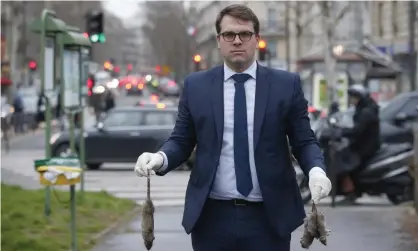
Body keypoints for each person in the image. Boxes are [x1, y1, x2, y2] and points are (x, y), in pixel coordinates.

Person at [134, 4, 331, 251]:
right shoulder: (197, 86)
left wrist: (316, 171)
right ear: (218, 40)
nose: (237, 41)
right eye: (229, 35)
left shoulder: (285, 85)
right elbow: (182, 140)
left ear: (257, 39)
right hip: (212, 218)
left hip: (269, 219)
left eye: (245, 34)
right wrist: (160, 158)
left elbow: (304, 141)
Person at [339, 84, 381, 200]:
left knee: (346, 164)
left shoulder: (366, 112)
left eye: (354, 97)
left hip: (366, 146)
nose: (352, 100)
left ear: (360, 98)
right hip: (362, 144)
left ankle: (351, 191)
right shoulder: (363, 109)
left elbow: (358, 130)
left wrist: (343, 132)